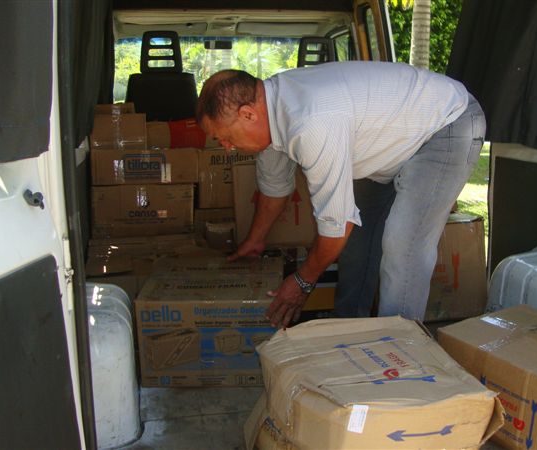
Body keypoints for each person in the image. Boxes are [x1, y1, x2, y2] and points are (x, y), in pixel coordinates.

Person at [196, 61, 485, 328]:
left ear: (247, 114)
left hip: (444, 124)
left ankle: (397, 346)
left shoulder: (311, 122)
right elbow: (274, 189)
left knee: (402, 243)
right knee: (356, 244)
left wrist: (302, 282)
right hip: (390, 140)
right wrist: (254, 241)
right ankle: (348, 329)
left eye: (225, 138)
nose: (227, 148)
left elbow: (337, 225)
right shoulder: (271, 111)